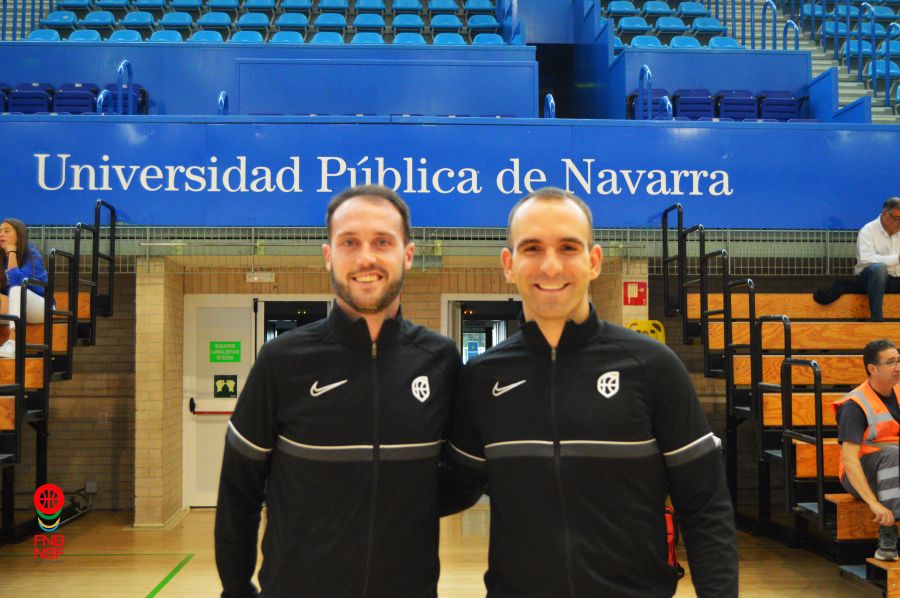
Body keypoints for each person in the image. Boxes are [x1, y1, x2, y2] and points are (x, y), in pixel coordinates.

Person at [445, 187, 738, 597]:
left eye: (568, 247)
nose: (550, 266)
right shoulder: (481, 377)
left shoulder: (653, 366)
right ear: (509, 265)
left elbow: (705, 506)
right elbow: (452, 487)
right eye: (532, 248)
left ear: (594, 261)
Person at [214, 185, 461, 598]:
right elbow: (239, 489)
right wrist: (236, 589)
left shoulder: (440, 360)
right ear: (329, 255)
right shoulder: (282, 360)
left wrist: (405, 506)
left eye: (382, 242)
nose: (366, 258)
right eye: (349, 242)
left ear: (408, 255)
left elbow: (464, 473)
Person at [834, 338, 900, 561]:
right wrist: (873, 503)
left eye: (899, 360)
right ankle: (888, 532)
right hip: (859, 475)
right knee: (892, 454)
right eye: (890, 362)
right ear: (872, 369)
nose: (897, 367)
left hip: (892, 467)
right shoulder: (854, 406)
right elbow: (850, 459)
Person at [0, 218, 49, 359]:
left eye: (7, 231)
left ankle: (13, 343)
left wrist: (12, 252)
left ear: (19, 235)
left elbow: (16, 282)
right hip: (14, 309)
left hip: (40, 307)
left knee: (17, 290)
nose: (1, 234)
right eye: (0, 231)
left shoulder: (32, 254)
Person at [855, 197, 900, 321]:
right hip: (870, 279)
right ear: (885, 214)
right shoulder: (868, 231)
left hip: (897, 278)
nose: (899, 222)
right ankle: (876, 321)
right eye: (897, 218)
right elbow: (866, 259)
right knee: (878, 269)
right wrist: (897, 259)